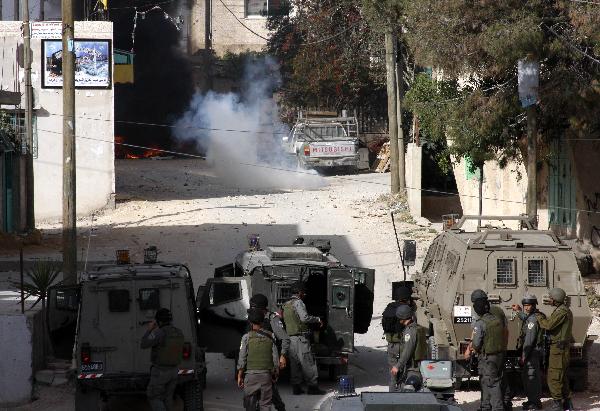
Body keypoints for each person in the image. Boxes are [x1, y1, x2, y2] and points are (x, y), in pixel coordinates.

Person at [282, 281, 326, 395]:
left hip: (290, 338)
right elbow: (304, 318)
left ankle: (296, 387)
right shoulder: (298, 303)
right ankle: (312, 387)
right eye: (303, 292)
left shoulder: (286, 304)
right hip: (301, 338)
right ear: (299, 292)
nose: (305, 294)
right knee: (308, 362)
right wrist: (317, 319)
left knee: (295, 363)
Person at [471, 289, 511, 410]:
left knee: (491, 383)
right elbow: (505, 333)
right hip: (499, 354)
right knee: (491, 380)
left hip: (487, 356)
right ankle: (487, 406)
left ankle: (496, 407)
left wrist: (473, 349)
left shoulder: (481, 322)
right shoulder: (497, 317)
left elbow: (476, 343)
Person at [249, 293, 289, 411]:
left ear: (262, 309)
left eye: (254, 308)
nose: (252, 310)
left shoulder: (272, 318)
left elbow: (284, 338)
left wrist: (282, 355)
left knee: (269, 389)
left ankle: (280, 407)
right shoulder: (251, 316)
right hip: (253, 361)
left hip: (268, 360)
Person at [536, 288, 573, 411]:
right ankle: (568, 404)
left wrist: (539, 317)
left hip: (558, 349)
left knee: (554, 377)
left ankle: (557, 404)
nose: (550, 300)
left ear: (556, 299)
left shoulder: (561, 312)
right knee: (562, 376)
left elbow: (548, 325)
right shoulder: (563, 310)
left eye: (551, 298)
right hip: (560, 348)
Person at [140, 308, 184, 411]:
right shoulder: (178, 332)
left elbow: (144, 344)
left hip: (161, 371)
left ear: (159, 321)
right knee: (167, 398)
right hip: (174, 371)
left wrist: (150, 329)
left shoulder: (160, 333)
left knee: (154, 396)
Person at [237, 308, 280, 411]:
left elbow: (242, 359)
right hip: (266, 376)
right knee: (265, 404)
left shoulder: (246, 337)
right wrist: (275, 373)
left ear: (250, 322)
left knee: (249, 405)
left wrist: (239, 376)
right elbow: (275, 358)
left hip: (250, 377)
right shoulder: (271, 336)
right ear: (262, 321)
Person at [511, 293, 544, 410]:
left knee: (532, 377)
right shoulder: (533, 316)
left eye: (529, 305)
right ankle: (533, 400)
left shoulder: (533, 320)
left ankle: (534, 403)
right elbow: (526, 317)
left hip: (532, 353)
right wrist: (518, 311)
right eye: (524, 305)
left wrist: (524, 356)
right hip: (533, 352)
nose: (526, 307)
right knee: (531, 376)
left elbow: (529, 341)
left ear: (534, 305)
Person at [383, 286, 415, 391]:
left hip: (391, 345)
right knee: (402, 376)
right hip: (402, 346)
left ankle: (392, 400)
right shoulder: (405, 310)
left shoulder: (389, 308)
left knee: (393, 376)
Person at [390, 304, 426, 392]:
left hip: (412, 368)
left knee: (406, 392)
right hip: (416, 366)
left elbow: (407, 351)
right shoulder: (417, 328)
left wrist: (398, 366)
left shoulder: (409, 331)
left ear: (402, 318)